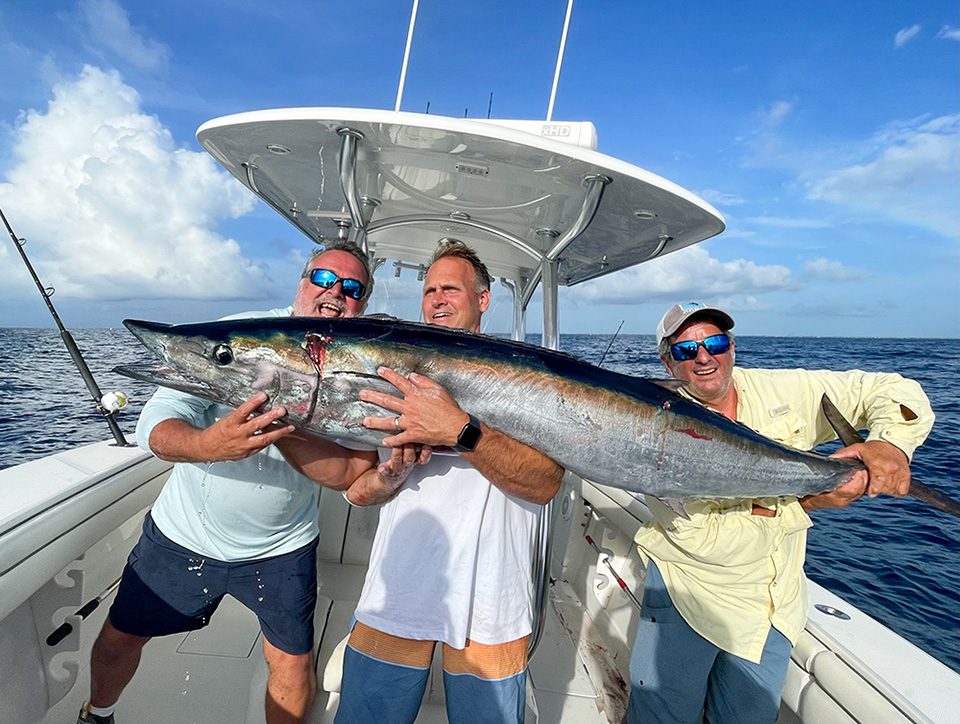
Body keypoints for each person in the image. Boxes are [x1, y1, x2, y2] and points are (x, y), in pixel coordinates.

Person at [78, 241, 376, 724]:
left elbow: (353, 472)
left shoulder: (366, 359)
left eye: (352, 287)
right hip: (184, 535)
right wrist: (208, 446)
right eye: (322, 278)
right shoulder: (235, 338)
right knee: (120, 637)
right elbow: (156, 421)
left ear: (361, 302)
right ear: (302, 283)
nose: (334, 293)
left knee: (292, 662)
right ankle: (98, 714)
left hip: (284, 546)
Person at [627, 301, 934, 724]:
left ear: (732, 346)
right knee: (662, 717)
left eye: (714, 342)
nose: (703, 357)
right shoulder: (650, 420)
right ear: (667, 361)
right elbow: (704, 532)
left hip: (776, 605)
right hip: (689, 593)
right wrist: (809, 501)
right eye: (685, 350)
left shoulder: (782, 390)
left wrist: (889, 444)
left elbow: (892, 389)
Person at [334, 240, 564, 723]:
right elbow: (358, 492)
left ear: (483, 299)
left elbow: (545, 484)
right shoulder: (389, 374)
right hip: (397, 592)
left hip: (494, 603)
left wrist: (462, 431)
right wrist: (390, 474)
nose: (437, 299)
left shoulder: (527, 375)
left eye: (451, 289)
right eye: (430, 289)